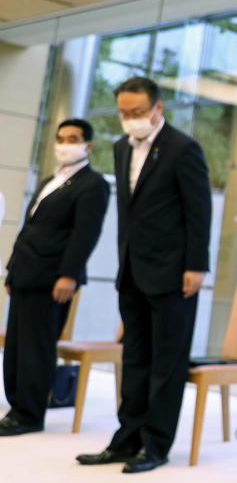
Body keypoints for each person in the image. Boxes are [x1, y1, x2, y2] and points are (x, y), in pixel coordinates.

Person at [77, 77, 211, 473]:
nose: (130, 120)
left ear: (158, 108)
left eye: (137, 113)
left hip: (174, 272)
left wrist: (196, 265)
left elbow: (199, 211)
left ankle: (155, 445)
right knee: (134, 357)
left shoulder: (183, 149)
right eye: (124, 113)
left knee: (166, 362)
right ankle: (127, 438)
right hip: (133, 269)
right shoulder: (121, 147)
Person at [1, 119, 109, 436]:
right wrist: (12, 269)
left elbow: (85, 235)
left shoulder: (93, 184)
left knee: (37, 346)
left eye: (73, 138)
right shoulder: (51, 179)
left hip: (52, 277)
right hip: (26, 272)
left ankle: (30, 414)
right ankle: (16, 407)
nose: (65, 144)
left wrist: (68, 275)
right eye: (60, 138)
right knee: (18, 345)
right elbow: (29, 228)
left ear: (87, 145)